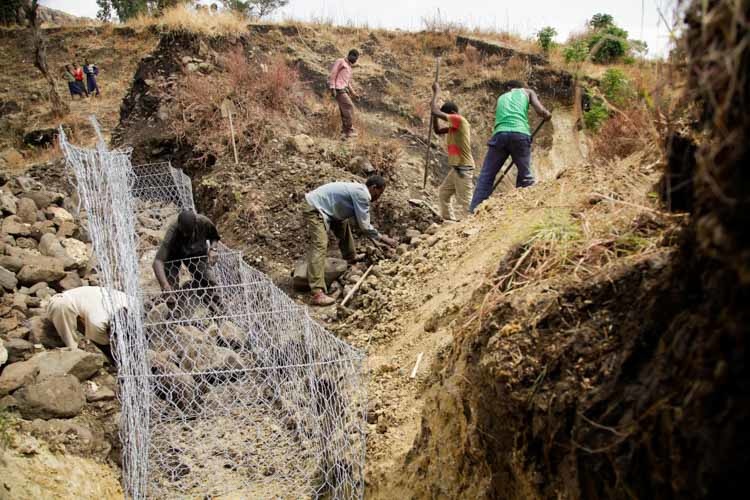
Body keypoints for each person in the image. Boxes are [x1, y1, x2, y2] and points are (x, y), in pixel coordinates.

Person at [303, 175, 398, 306]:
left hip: (328, 209)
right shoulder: (362, 195)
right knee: (320, 245)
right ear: (374, 188)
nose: (378, 197)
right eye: (380, 193)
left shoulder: (358, 191)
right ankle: (317, 293)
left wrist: (378, 243)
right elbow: (365, 226)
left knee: (343, 223)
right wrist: (384, 239)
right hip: (315, 208)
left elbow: (362, 225)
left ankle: (350, 256)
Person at [469, 81, 552, 212]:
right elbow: (541, 111)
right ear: (521, 87)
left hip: (500, 134)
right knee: (525, 175)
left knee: (486, 175)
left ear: (509, 88)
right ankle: (528, 207)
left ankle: (474, 210)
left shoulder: (501, 97)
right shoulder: (528, 92)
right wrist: (547, 114)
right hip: (520, 134)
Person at [47, 286, 130, 364]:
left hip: (91, 298)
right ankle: (74, 351)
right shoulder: (98, 322)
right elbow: (104, 345)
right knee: (60, 306)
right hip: (64, 301)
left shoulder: (132, 303)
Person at [430, 82, 475, 221]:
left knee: (466, 201)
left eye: (446, 116)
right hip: (457, 168)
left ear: (453, 114)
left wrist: (436, 93)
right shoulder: (453, 127)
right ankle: (449, 221)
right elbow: (437, 130)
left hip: (463, 167)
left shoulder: (459, 120)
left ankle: (474, 225)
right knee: (444, 193)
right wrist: (435, 115)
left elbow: (435, 111)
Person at [152, 209, 221, 292]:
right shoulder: (172, 231)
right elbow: (158, 261)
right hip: (174, 255)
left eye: (188, 232)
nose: (184, 235)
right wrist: (165, 285)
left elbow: (214, 237)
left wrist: (213, 249)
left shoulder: (204, 223)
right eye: (182, 232)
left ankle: (214, 302)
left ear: (195, 225)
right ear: (179, 226)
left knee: (209, 281)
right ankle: (174, 302)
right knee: (170, 289)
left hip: (196, 253)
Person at [328, 49, 360, 139]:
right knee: (349, 106)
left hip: (344, 89)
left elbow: (348, 82)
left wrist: (353, 93)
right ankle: (349, 130)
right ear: (350, 55)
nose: (355, 60)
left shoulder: (349, 67)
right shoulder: (340, 61)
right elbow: (333, 73)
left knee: (344, 110)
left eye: (357, 59)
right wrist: (332, 87)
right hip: (338, 89)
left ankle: (344, 132)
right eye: (355, 58)